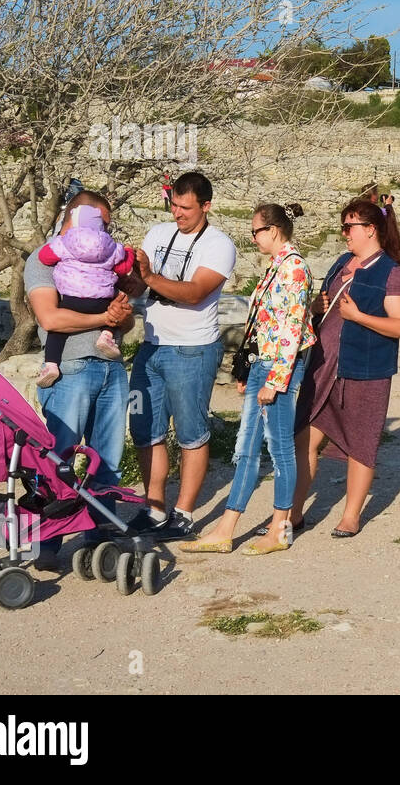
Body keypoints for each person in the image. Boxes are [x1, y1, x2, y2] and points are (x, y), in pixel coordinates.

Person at [181, 203, 316, 555]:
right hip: (262, 365)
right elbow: (262, 323)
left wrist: (275, 380)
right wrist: (247, 369)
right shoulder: (277, 266)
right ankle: (226, 529)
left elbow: (292, 327)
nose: (253, 237)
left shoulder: (295, 268)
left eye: (256, 230)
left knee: (280, 448)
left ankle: (279, 529)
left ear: (273, 230)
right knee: (246, 448)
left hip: (278, 368)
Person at [288, 196, 400, 537]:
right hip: (323, 366)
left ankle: (351, 516)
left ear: (370, 230)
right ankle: (294, 514)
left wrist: (359, 316)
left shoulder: (393, 273)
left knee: (362, 443)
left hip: (366, 371)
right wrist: (315, 307)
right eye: (343, 226)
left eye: (349, 227)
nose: (344, 233)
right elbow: (323, 309)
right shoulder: (341, 262)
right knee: (303, 439)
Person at [25, 190, 138, 570]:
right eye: (100, 221)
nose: (104, 229)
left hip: (111, 369)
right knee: (58, 460)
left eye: (107, 224)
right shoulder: (45, 259)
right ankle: (49, 543)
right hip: (69, 368)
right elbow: (51, 319)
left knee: (107, 463)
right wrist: (105, 319)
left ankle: (99, 538)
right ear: (75, 216)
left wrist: (121, 315)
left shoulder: (102, 259)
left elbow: (126, 318)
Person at [127, 171, 238, 539]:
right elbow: (137, 283)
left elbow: (194, 292)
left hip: (193, 349)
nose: (178, 213)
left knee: (191, 433)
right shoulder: (159, 233)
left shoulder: (220, 244)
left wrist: (148, 276)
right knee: (145, 430)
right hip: (152, 345)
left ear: (206, 206)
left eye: (186, 208)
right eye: (173, 204)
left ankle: (185, 513)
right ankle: (154, 508)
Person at [35, 203, 136, 387]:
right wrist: (129, 252)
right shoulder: (111, 245)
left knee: (56, 334)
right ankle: (106, 335)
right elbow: (123, 267)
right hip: (101, 300)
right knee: (115, 307)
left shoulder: (66, 242)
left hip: (72, 299)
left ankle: (50, 365)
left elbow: (45, 257)